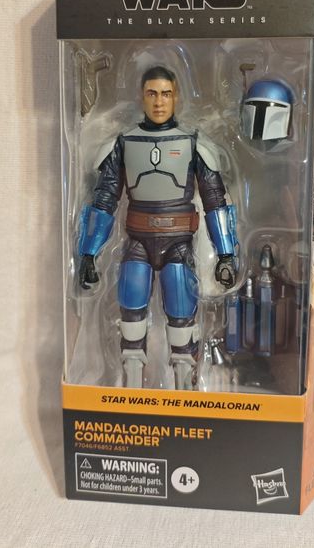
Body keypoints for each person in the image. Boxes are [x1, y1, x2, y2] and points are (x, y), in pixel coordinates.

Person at [78, 65, 237, 389]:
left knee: (182, 328)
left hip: (179, 244)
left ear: (176, 96)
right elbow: (105, 199)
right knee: (131, 326)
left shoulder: (193, 143)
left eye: (165, 94)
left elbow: (215, 201)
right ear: (142, 97)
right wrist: (89, 253)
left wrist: (225, 255)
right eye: (152, 93)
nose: (159, 101)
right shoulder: (123, 143)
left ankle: (184, 396)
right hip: (137, 242)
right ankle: (131, 395)